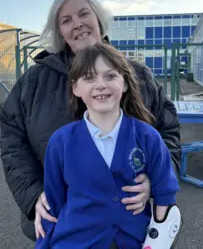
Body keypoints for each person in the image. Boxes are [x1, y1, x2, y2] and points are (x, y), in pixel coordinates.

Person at [0, 0, 182, 243]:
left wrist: (155, 181)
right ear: (59, 31)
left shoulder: (137, 75)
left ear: (98, 19)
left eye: (84, 14)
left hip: (131, 230)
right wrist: (33, 193)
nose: (78, 24)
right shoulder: (33, 82)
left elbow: (167, 132)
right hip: (67, 226)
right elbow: (11, 140)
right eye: (66, 20)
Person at [34, 43, 180, 248]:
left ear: (125, 84)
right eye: (89, 78)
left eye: (110, 76)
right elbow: (54, 202)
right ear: (76, 88)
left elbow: (165, 193)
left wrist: (158, 243)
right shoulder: (60, 142)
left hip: (134, 241)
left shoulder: (148, 137)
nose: (100, 84)